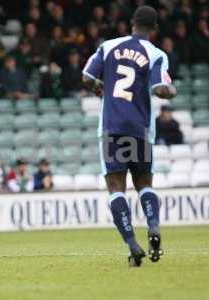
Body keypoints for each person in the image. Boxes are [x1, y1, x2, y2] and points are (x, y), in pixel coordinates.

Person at [82, 6, 177, 267]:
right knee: (144, 184)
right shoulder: (157, 54)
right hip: (141, 129)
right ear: (154, 28)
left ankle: (132, 244)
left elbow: (87, 76)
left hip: (112, 127)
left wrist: (101, 89)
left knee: (116, 187)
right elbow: (160, 88)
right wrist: (171, 90)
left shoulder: (108, 46)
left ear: (132, 23)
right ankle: (154, 226)